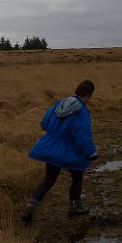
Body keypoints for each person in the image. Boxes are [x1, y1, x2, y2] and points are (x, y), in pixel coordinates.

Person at [20, 80, 98, 225]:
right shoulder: (81, 112)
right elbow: (82, 137)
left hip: (52, 149)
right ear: (88, 95)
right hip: (71, 151)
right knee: (77, 177)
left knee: (48, 180)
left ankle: (30, 206)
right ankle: (75, 206)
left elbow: (44, 124)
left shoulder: (59, 104)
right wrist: (91, 154)